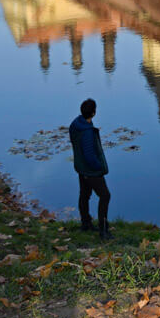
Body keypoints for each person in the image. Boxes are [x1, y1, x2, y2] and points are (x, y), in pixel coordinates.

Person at [69, 98, 112, 239]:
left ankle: (86, 223)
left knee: (84, 195)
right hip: (91, 171)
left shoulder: (76, 124)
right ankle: (103, 230)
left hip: (81, 168)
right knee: (105, 196)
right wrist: (98, 167)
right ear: (93, 112)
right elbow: (89, 155)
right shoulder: (87, 132)